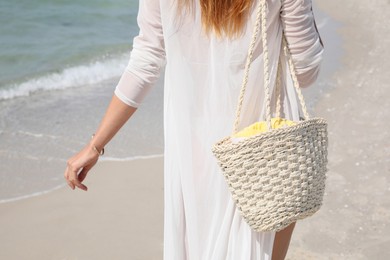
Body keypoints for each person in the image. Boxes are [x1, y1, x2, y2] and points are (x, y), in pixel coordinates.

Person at [64, 0, 324, 258]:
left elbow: (145, 63)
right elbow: (305, 70)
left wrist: (95, 146)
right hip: (263, 148)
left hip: (193, 142)